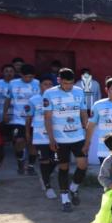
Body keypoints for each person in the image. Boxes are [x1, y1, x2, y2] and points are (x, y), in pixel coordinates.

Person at [43, 68, 89, 212]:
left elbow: (83, 113)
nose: (68, 86)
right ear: (59, 80)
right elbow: (47, 117)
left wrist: (86, 133)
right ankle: (65, 200)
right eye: (65, 83)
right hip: (60, 138)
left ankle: (73, 188)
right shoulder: (49, 93)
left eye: (70, 83)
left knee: (83, 165)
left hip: (78, 137)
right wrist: (51, 139)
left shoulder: (79, 91)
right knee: (64, 168)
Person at [6, 65, 40, 175]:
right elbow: (8, 99)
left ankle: (30, 166)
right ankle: (20, 162)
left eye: (31, 77)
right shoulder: (13, 83)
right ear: (21, 75)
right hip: (18, 119)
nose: (28, 79)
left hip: (34, 120)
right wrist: (5, 113)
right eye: (26, 77)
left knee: (32, 143)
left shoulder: (37, 83)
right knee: (19, 141)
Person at [27, 76, 57, 197]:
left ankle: (45, 176)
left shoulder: (57, 99)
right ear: (40, 86)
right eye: (45, 84)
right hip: (40, 135)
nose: (48, 86)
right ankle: (48, 186)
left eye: (50, 84)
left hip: (56, 135)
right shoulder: (33, 100)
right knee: (44, 160)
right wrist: (27, 133)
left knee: (55, 160)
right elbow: (29, 118)